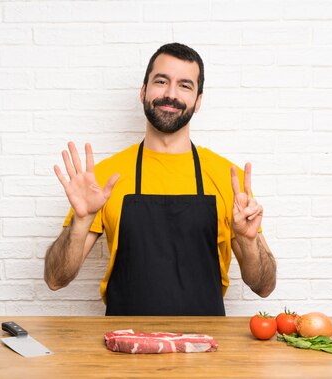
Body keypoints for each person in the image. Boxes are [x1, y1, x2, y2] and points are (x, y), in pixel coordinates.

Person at [44, 43, 276, 316]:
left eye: (185, 85)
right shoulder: (105, 178)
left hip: (205, 348)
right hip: (124, 344)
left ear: (198, 100)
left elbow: (263, 286)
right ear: (143, 91)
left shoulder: (229, 178)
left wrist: (248, 242)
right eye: (161, 81)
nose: (170, 94)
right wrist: (80, 222)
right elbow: (55, 279)